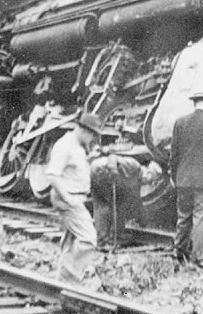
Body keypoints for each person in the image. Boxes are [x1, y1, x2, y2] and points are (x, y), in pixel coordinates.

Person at [45, 112, 102, 285]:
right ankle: (69, 278)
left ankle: (63, 279)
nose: (93, 138)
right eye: (92, 134)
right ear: (84, 130)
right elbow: (52, 175)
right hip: (69, 198)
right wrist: (68, 198)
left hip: (75, 197)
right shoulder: (65, 146)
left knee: (71, 241)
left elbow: (73, 169)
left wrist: (89, 160)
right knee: (88, 239)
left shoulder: (77, 145)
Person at [169, 90, 203, 269]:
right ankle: (198, 257)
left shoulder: (180, 122)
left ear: (194, 102)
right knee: (199, 218)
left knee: (183, 217)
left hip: (183, 178)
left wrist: (173, 176)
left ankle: (179, 253)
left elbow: (174, 154)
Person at [90, 152, 144, 251]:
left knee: (104, 205)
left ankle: (112, 237)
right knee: (105, 206)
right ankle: (105, 240)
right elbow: (112, 157)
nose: (147, 181)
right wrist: (113, 169)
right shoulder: (134, 165)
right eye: (149, 178)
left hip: (97, 170)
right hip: (103, 169)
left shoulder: (133, 177)